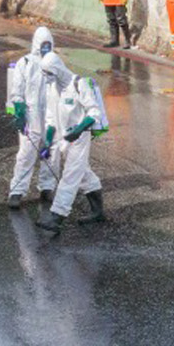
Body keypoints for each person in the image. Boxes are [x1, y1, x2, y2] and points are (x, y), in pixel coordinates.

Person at [35, 74, 110, 233]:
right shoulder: (51, 89)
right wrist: (48, 142)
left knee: (70, 174)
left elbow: (94, 112)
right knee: (84, 173)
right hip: (65, 138)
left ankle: (57, 217)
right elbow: (51, 120)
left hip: (80, 137)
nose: (46, 76)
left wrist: (79, 130)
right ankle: (98, 212)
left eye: (48, 72)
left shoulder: (78, 83)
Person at [5, 26, 70, 208]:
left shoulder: (55, 62)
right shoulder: (25, 63)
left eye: (48, 44)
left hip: (52, 116)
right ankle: (17, 190)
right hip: (31, 115)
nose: (46, 47)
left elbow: (64, 85)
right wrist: (19, 111)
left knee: (52, 152)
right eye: (43, 44)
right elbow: (17, 91)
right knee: (26, 153)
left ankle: (47, 187)